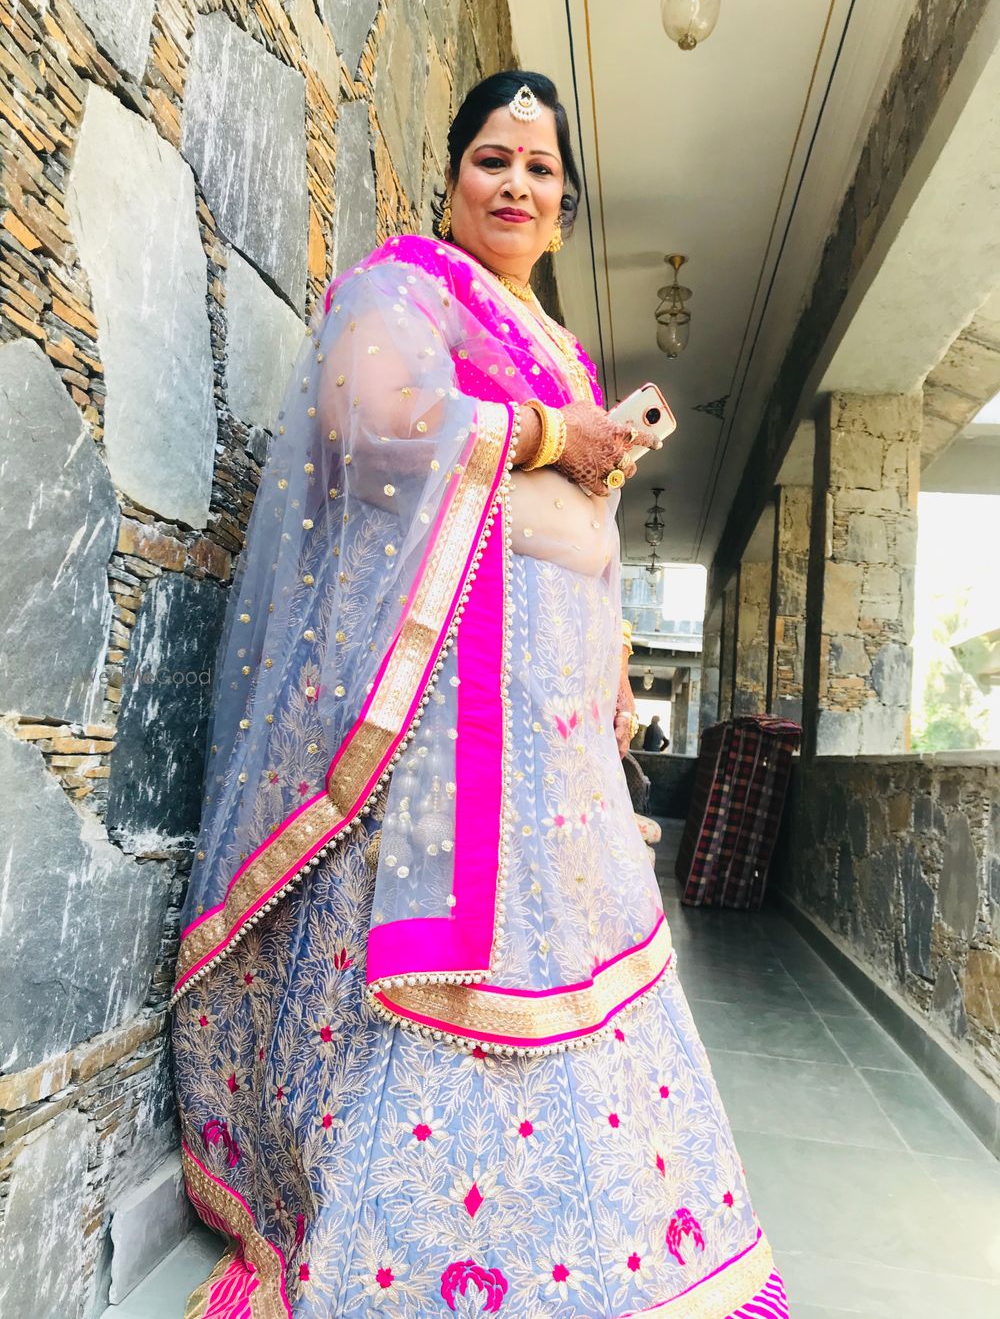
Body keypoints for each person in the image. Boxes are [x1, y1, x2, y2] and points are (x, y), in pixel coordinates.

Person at [173, 70, 788, 1318]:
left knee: (569, 943)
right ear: (450, 180)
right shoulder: (400, 286)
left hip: (554, 714)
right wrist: (559, 437)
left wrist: (610, 659)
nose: (516, 184)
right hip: (450, 700)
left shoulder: (562, 349)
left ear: (566, 205)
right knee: (450, 961)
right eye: (491, 160)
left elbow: (590, 537)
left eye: (540, 168)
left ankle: (596, 1229)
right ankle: (404, 1232)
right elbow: (372, 421)